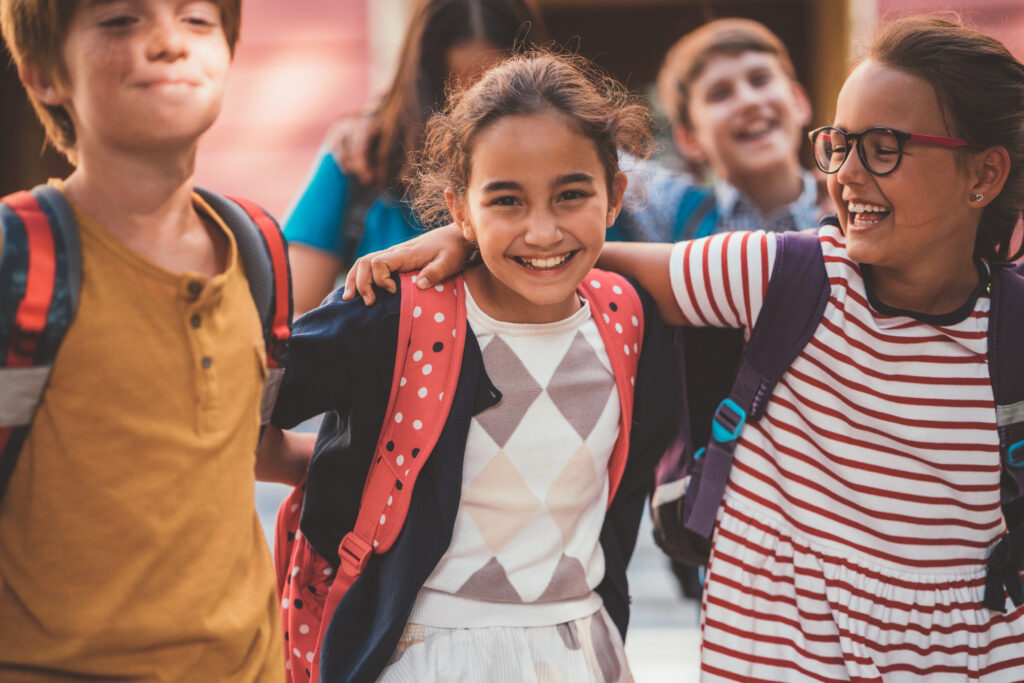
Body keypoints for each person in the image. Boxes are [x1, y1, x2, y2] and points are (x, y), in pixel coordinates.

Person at [343, 15, 1024, 680]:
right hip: (778, 653)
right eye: (838, 143)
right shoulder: (782, 274)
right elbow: (573, 248)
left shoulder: (1013, 329)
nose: (845, 173)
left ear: (983, 175)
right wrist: (471, 240)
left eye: (883, 146)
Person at [260, 52, 679, 682]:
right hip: (427, 651)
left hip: (583, 648)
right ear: (459, 208)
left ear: (616, 194)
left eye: (571, 195)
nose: (542, 232)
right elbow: (232, 409)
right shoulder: (396, 310)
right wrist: (331, 465)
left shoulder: (628, 316)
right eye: (506, 200)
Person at [0, 1, 303, 679]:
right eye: (120, 22)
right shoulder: (17, 260)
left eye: (197, 21)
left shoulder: (257, 248)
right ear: (44, 74)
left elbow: (252, 445)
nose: (169, 42)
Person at [283, 0, 546, 315]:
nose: (477, 132)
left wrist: (463, 243)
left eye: (499, 106)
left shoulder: (573, 172)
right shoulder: (360, 159)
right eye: (453, 105)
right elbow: (290, 316)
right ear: (420, 89)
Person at [612, 17, 828, 244]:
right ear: (689, 138)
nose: (749, 101)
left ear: (798, 102)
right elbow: (592, 150)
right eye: (720, 94)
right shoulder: (678, 212)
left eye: (760, 80)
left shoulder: (847, 208)